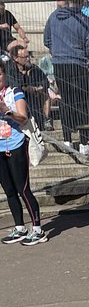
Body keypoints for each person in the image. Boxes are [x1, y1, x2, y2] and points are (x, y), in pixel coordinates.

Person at [0, 64, 46, 245]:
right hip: (0, 148)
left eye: (0, 74)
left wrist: (6, 110)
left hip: (17, 144)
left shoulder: (14, 92)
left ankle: (38, 230)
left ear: (5, 75)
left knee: (23, 188)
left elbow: (23, 117)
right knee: (9, 190)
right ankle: (20, 227)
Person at [43, 0, 89, 145]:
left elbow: (46, 39)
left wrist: (57, 51)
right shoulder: (83, 20)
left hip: (60, 63)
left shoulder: (53, 17)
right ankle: (83, 140)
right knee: (80, 100)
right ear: (80, 3)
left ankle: (67, 137)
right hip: (78, 63)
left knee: (65, 100)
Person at [6, 43, 51, 127]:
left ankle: (46, 119)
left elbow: (45, 82)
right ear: (16, 58)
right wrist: (25, 88)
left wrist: (38, 88)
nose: (29, 59)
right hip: (16, 98)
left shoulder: (33, 68)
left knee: (45, 93)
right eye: (25, 57)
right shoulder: (9, 68)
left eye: (29, 56)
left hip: (33, 97)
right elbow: (11, 83)